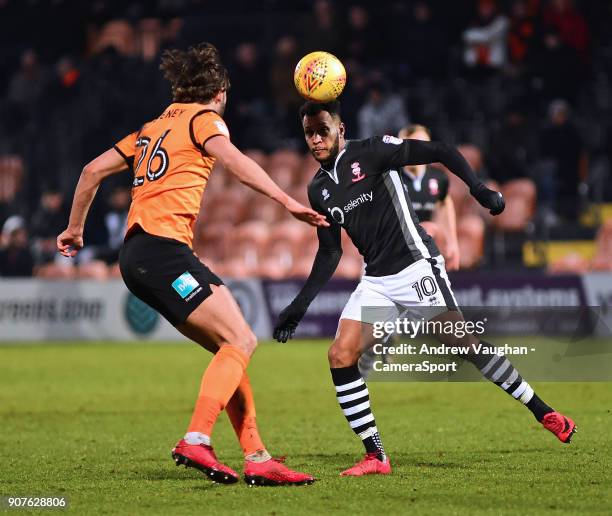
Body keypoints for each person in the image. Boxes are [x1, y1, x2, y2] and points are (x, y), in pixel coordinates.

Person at [57, 43, 327, 486]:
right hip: (163, 252)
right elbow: (235, 162)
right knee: (241, 338)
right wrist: (285, 200)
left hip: (138, 255)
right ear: (219, 91)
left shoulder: (149, 129)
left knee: (231, 347)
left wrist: (74, 230)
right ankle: (196, 438)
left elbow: (90, 171)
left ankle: (257, 457)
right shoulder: (205, 119)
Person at [274, 100, 576, 477]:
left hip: (417, 267)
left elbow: (441, 151)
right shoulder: (319, 189)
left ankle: (544, 412)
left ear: (341, 129)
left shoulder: (372, 151)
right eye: (309, 133)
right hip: (377, 282)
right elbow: (331, 250)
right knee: (340, 354)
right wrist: (299, 305)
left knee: (464, 345)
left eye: (323, 129)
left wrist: (478, 190)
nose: (316, 139)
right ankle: (376, 456)